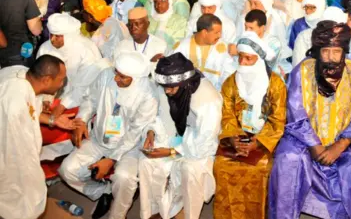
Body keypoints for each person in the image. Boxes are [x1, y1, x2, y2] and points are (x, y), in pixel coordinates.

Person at [269, 21, 351, 219]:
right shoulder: (303, 71)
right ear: (318, 50)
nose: (331, 58)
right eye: (326, 52)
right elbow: (295, 114)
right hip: (306, 141)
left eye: (336, 52)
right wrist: (314, 146)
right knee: (288, 159)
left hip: (348, 142)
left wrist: (341, 144)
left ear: (344, 51)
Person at [59, 51, 158, 219]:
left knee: (124, 177)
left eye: (123, 77)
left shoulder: (148, 94)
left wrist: (111, 159)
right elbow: (90, 100)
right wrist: (81, 120)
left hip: (129, 148)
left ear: (137, 78)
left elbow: (135, 132)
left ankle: (117, 215)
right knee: (67, 170)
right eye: (116, 73)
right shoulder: (106, 75)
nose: (116, 79)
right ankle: (103, 191)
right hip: (99, 138)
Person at [139, 53, 223, 219]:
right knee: (146, 161)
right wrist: (152, 131)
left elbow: (204, 143)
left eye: (171, 88)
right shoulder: (169, 84)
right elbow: (163, 116)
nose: (167, 92)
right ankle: (155, 212)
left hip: (201, 149)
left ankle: (188, 215)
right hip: (177, 138)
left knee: (189, 170)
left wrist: (171, 152)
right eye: (164, 88)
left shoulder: (207, 100)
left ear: (185, 83)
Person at [214, 31, 287, 219]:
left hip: (264, 140)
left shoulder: (275, 85)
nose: (243, 63)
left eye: (249, 59)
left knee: (259, 168)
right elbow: (227, 115)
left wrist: (258, 142)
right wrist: (233, 139)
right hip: (237, 138)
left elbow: (278, 120)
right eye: (240, 57)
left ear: (259, 60)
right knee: (222, 165)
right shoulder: (231, 82)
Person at [0, 55, 72, 219]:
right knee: (22, 198)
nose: (62, 85)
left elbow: (31, 111)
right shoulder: (16, 105)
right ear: (46, 80)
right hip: (9, 156)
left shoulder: (18, 73)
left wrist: (53, 120)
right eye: (60, 80)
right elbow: (20, 153)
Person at [37, 13, 102, 108]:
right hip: (55, 101)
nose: (52, 39)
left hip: (84, 102)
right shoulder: (45, 49)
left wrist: (63, 106)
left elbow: (88, 86)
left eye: (57, 36)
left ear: (68, 36)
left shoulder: (87, 50)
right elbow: (41, 79)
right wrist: (45, 99)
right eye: (51, 34)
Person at [173, 14, 235, 91]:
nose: (220, 35)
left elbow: (228, 73)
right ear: (204, 32)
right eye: (217, 32)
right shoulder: (181, 47)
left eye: (220, 32)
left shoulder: (223, 47)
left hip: (215, 94)